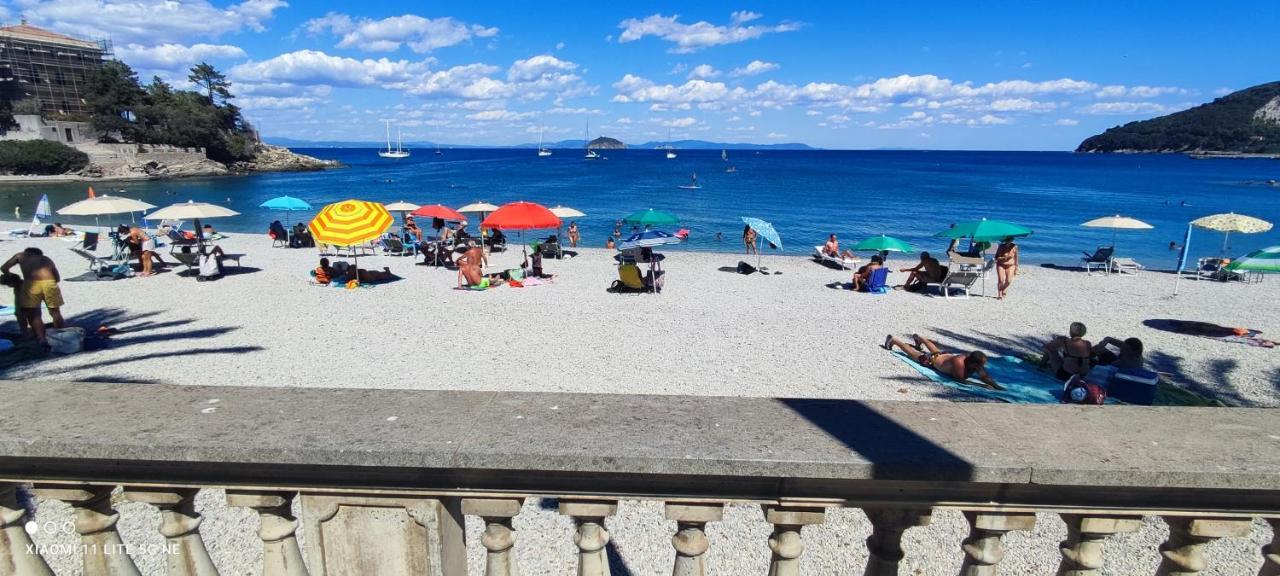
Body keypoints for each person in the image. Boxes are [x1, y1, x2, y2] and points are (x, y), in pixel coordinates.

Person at [884, 333, 1002, 390]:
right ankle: (894, 340)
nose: (983, 367)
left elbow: (984, 375)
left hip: (944, 356)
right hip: (932, 360)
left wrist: (996, 386)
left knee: (935, 350)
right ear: (974, 363)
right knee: (913, 354)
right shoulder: (959, 363)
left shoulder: (971, 360)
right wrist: (981, 385)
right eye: (981, 365)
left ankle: (921, 339)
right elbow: (960, 379)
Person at [1, 247, 65, 343]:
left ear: (27, 252)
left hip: (32, 284)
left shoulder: (20, 255)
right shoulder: (47, 259)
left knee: (34, 314)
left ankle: (41, 339)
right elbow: (57, 278)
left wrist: (11, 276)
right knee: (55, 312)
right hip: (50, 283)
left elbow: (4, 268)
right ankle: (62, 335)